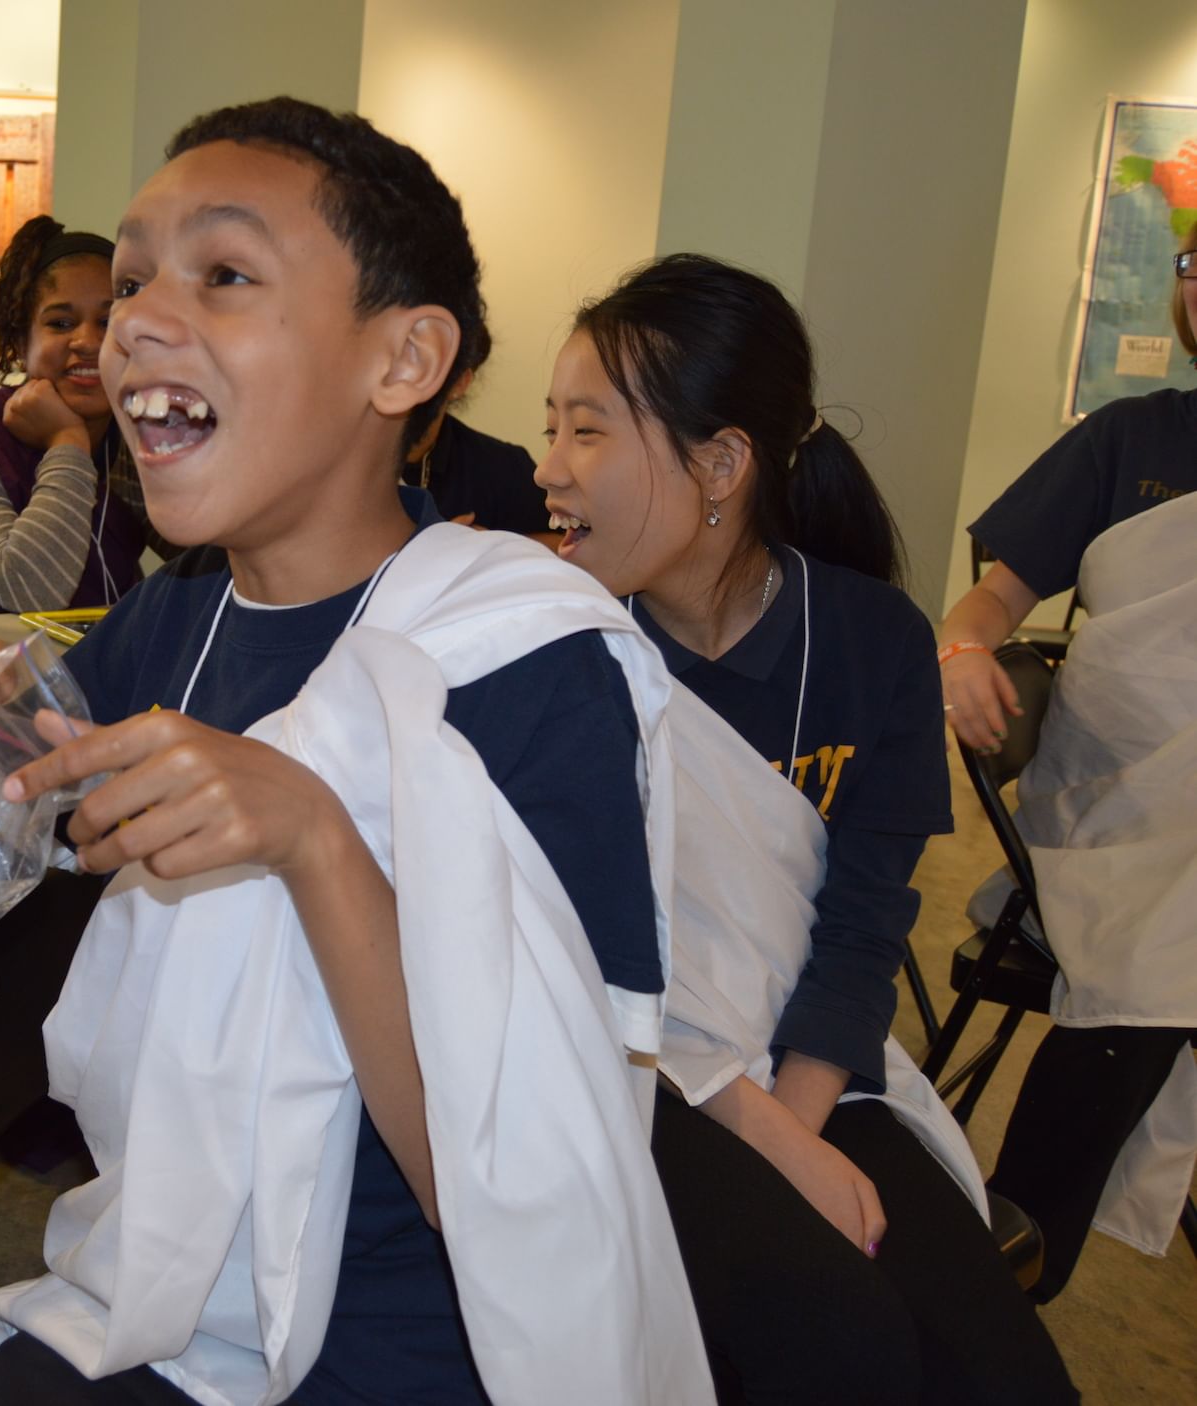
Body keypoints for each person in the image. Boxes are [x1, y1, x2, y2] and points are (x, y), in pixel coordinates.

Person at [0, 97, 711, 1405]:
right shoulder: (167, 622)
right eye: (130, 277)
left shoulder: (528, 661)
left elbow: (515, 1191)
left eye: (224, 273)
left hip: (419, 1345)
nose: (130, 319)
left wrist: (312, 839)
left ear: (403, 359)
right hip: (165, 1285)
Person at [539, 253, 1075, 1404]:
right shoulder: (553, 645)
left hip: (819, 1056)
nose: (548, 469)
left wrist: (802, 1116)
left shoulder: (874, 639)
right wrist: (774, 1143)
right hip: (633, 1071)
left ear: (722, 461)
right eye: (552, 428)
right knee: (836, 1335)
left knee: (1001, 1371)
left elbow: (866, 918)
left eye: (587, 432)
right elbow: (577, 951)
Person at [940, 228, 1197, 1303]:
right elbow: (993, 602)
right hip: (1121, 799)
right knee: (1172, 930)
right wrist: (960, 650)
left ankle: (1026, 1228)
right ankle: (1019, 1245)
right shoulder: (1128, 437)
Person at [0, 213, 149, 613]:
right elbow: (26, 590)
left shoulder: (136, 431)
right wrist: (68, 442)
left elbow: (223, 552)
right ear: (20, 339)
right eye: (60, 323)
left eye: (108, 322)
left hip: (105, 665)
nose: (87, 342)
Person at [399, 343, 557, 546]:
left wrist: (493, 548)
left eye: (424, 367)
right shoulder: (350, 457)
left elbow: (564, 547)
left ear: (460, 382)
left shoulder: (504, 466)